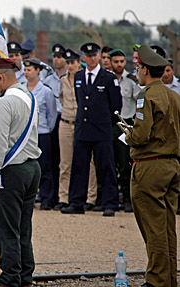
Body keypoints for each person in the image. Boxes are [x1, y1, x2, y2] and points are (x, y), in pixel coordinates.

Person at [0, 57, 41, 287]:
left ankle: (10, 277)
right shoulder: (27, 96)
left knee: (6, 229)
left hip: (10, 171)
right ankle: (25, 275)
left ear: (0, 77)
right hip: (31, 167)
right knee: (23, 227)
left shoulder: (4, 103)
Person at [125, 45, 180, 287]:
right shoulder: (174, 96)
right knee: (167, 225)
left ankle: (157, 279)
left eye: (138, 68)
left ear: (145, 70)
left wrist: (128, 134)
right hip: (172, 164)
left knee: (153, 226)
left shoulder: (145, 95)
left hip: (149, 165)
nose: (137, 72)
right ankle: (167, 277)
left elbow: (140, 136)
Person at [61, 42, 122, 217]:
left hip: (102, 130)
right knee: (79, 167)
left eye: (95, 55)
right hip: (83, 129)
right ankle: (76, 202)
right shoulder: (79, 76)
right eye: (88, 56)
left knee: (106, 167)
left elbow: (116, 106)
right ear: (84, 59)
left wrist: (106, 124)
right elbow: (82, 102)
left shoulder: (108, 78)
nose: (92, 58)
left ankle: (110, 203)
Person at [55, 49, 98, 211]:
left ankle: (89, 197)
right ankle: (64, 197)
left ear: (80, 63)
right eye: (68, 63)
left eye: (73, 62)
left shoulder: (85, 79)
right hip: (66, 123)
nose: (70, 66)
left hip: (83, 123)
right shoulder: (63, 80)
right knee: (65, 163)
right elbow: (61, 99)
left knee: (88, 163)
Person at [108, 49, 139, 213]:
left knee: (125, 164)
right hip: (110, 125)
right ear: (111, 62)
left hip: (125, 125)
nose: (119, 64)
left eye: (121, 61)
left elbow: (139, 102)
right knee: (109, 163)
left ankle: (128, 198)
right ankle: (111, 198)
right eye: (116, 62)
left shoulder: (131, 80)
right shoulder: (106, 79)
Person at [24, 58, 56, 210]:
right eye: (25, 69)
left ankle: (46, 198)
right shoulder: (21, 89)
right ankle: (27, 197)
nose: (26, 72)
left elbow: (52, 114)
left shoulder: (46, 91)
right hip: (25, 134)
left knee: (45, 167)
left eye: (29, 70)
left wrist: (46, 129)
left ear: (38, 71)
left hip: (41, 132)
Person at [43, 43, 67, 207]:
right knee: (51, 161)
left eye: (60, 57)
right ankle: (51, 196)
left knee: (65, 161)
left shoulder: (72, 77)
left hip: (66, 118)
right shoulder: (48, 79)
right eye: (55, 57)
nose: (56, 60)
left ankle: (64, 195)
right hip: (53, 122)